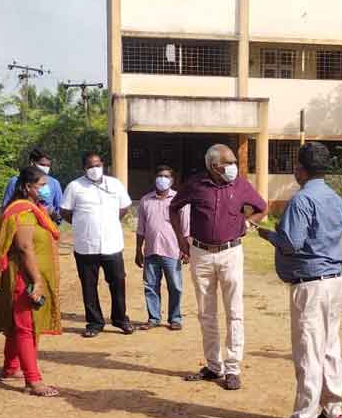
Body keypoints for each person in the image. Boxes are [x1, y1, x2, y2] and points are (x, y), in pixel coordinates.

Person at [256, 142, 342, 418]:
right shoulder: (335, 199)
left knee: (309, 352)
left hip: (310, 285)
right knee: (329, 347)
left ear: (301, 169)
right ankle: (333, 411)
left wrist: (268, 234)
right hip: (333, 280)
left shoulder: (302, 200)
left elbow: (291, 243)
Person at [170, 143, 267, 390]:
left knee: (234, 311)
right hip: (200, 254)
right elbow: (174, 208)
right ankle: (214, 366)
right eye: (230, 162)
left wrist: (247, 224)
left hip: (231, 253)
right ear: (214, 166)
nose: (234, 166)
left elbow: (262, 207)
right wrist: (182, 240)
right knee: (206, 313)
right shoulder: (195, 184)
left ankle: (232, 369)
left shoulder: (241, 185)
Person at [0, 166, 62, 397]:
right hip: (24, 276)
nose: (46, 189)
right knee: (26, 327)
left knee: (18, 324)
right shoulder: (23, 211)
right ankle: (33, 381)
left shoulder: (35, 209)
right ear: (28, 187)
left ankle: (11, 368)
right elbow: (24, 247)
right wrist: (37, 280)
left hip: (28, 274)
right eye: (41, 185)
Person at [60, 152, 134, 337]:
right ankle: (94, 322)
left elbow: (124, 206)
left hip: (112, 244)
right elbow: (65, 211)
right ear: (83, 168)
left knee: (117, 283)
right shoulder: (75, 186)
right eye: (90, 166)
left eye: (97, 165)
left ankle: (120, 319)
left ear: (103, 165)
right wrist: (82, 222)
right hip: (86, 246)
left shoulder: (115, 184)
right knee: (88, 285)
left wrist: (109, 221)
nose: (94, 169)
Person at [135, 165, 190, 331]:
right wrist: (138, 249)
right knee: (150, 286)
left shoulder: (180, 200)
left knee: (175, 286)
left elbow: (185, 227)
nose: (162, 179)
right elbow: (141, 228)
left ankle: (175, 318)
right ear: (154, 178)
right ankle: (153, 318)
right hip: (151, 250)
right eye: (160, 176)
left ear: (172, 180)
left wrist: (186, 249)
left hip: (172, 250)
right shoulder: (145, 200)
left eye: (166, 176)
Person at [1, 147, 63, 223]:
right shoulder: (15, 182)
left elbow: (59, 211)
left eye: (48, 166)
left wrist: (52, 215)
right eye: (42, 165)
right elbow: (6, 209)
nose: (45, 168)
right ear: (32, 162)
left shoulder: (54, 183)